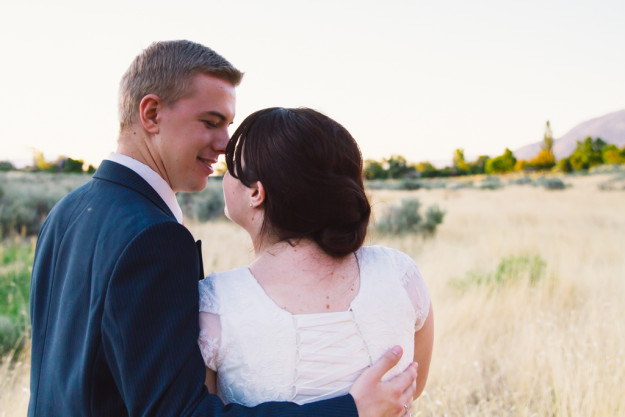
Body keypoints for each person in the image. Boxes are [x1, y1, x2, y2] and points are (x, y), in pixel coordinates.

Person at [28, 40, 417, 417]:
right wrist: (349, 410)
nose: (225, 144)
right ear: (151, 114)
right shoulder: (154, 237)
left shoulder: (67, 212)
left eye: (228, 125)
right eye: (211, 122)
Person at [197, 108, 434, 410]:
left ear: (256, 192)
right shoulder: (400, 274)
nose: (224, 174)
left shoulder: (215, 306)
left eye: (231, 166)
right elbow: (413, 390)